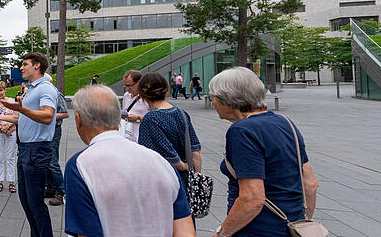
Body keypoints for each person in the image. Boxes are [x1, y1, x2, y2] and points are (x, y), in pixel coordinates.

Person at [63, 84, 195, 237]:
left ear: (78, 119)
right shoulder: (162, 163)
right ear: (118, 116)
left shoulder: (80, 166)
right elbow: (185, 231)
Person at [208, 67, 319, 237]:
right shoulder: (285, 122)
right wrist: (303, 224)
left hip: (256, 229)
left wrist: (222, 233)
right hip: (292, 227)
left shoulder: (242, 130)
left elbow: (252, 198)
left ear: (228, 100)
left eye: (213, 97)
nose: (213, 102)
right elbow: (310, 184)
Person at [0, 52, 58, 237]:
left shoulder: (46, 89)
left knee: (35, 203)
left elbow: (48, 116)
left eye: (25, 64)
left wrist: (22, 109)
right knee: (26, 201)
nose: (21, 68)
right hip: (26, 149)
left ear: (37, 65)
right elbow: (22, 117)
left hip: (36, 150)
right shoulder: (31, 89)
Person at [137, 72, 203, 192]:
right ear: (166, 89)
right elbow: (195, 152)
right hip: (184, 182)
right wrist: (195, 180)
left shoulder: (151, 119)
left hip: (163, 184)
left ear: (142, 94)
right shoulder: (181, 113)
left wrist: (183, 166)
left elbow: (168, 156)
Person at [44, 74, 70, 206]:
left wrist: (49, 116)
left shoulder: (56, 95)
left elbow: (65, 113)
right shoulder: (45, 94)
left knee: (53, 161)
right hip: (45, 130)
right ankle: (50, 187)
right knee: (46, 160)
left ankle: (61, 191)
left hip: (54, 130)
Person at [120, 69, 150, 142]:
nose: (127, 88)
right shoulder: (126, 96)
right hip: (127, 138)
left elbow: (155, 120)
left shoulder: (148, 97)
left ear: (139, 83)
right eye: (125, 85)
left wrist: (137, 118)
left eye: (129, 86)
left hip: (142, 139)